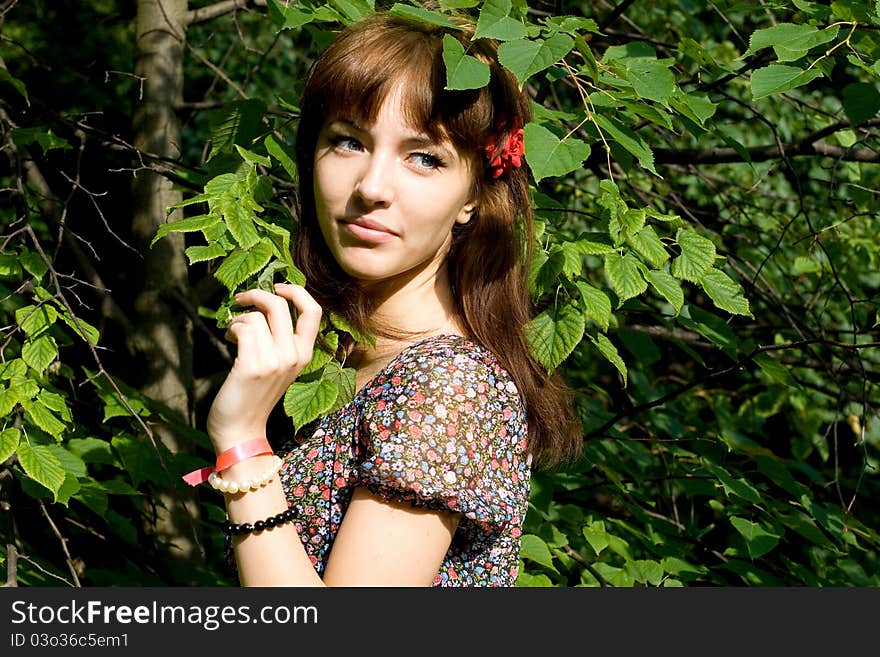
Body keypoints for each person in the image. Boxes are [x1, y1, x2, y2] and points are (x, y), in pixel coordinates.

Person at [192, 11, 582, 586]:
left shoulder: (448, 391)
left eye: (424, 157)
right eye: (348, 142)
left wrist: (242, 442)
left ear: (473, 194)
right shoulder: (343, 354)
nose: (372, 187)